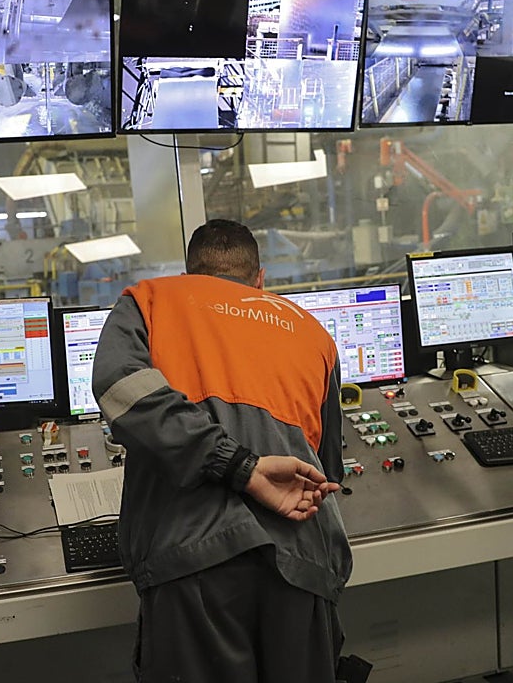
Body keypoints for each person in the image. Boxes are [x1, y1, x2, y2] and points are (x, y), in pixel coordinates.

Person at [92, 218, 351, 683]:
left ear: (189, 273)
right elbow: (327, 472)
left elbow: (121, 391)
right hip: (302, 562)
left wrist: (235, 464)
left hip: (192, 562)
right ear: (260, 280)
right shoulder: (312, 332)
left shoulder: (151, 301)